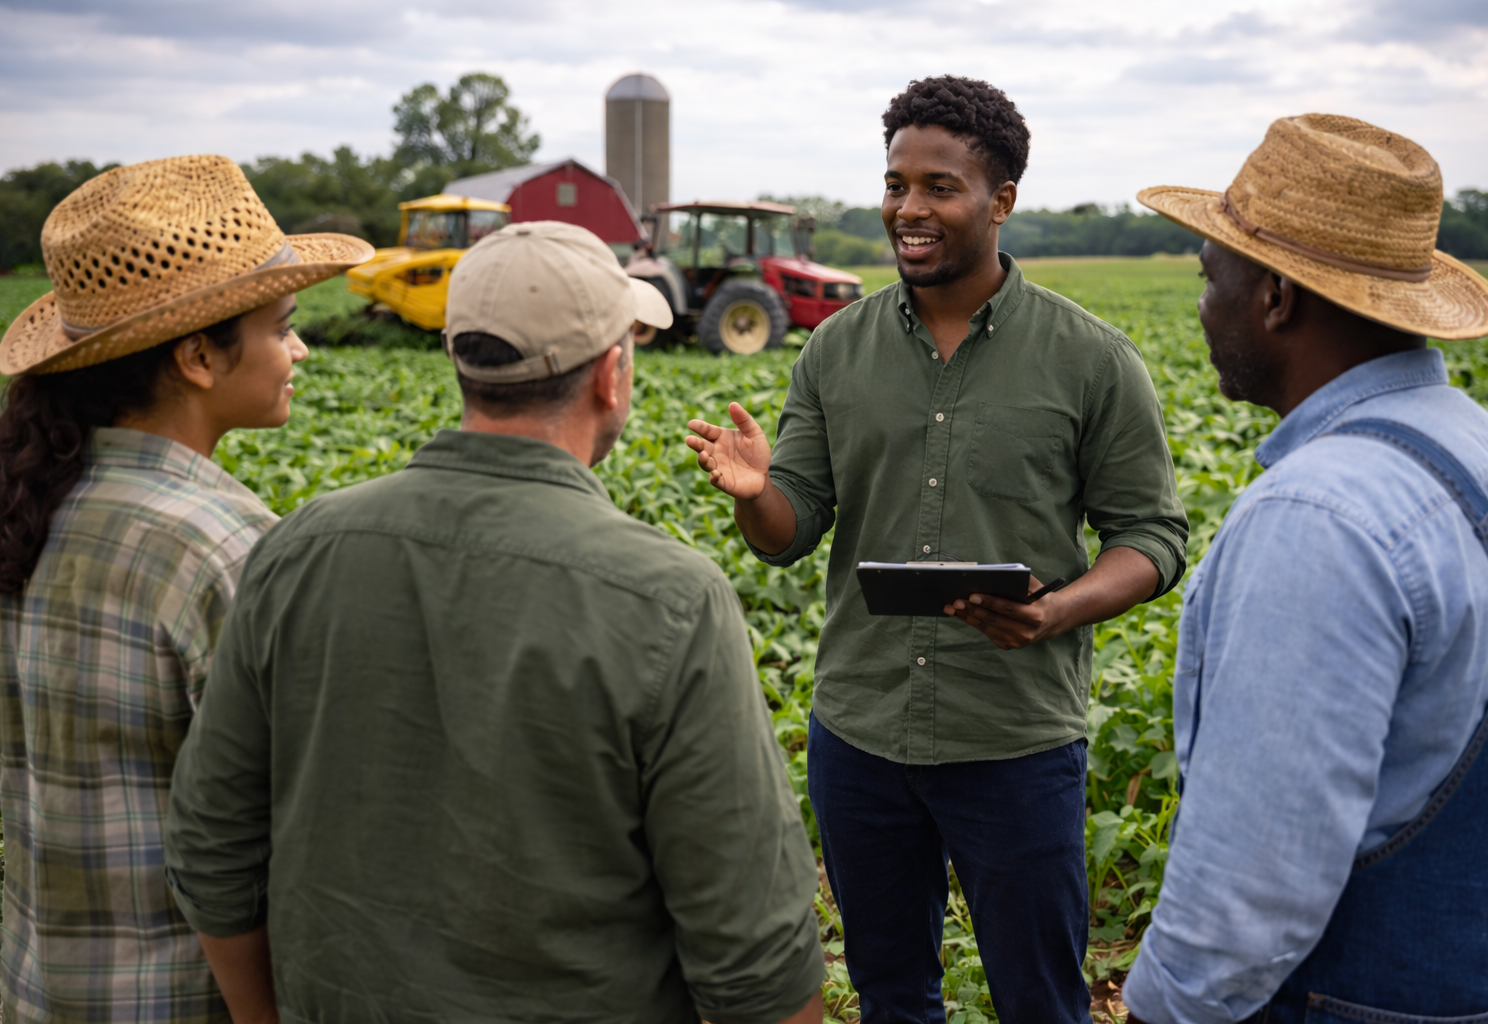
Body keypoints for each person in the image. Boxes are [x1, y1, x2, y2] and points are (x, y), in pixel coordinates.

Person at [161, 221, 826, 1024]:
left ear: (461, 360)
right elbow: (756, 955)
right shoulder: (670, 598)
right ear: (612, 376)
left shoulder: (295, 548)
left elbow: (210, 846)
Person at [686, 76, 1188, 1022]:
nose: (908, 209)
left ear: (1000, 202)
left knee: (1040, 999)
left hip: (1016, 739)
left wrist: (1055, 610)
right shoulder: (833, 350)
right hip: (861, 733)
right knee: (891, 997)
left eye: (939, 187)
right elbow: (789, 534)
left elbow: (1152, 536)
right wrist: (758, 496)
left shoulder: (1091, 360)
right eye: (895, 184)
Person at [1122, 115, 1488, 1021]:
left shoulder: (1317, 516)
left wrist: (1162, 1007)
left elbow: (1250, 885)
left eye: (1209, 277)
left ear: (1274, 296)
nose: (1202, 306)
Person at [0, 154, 372, 1023]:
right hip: (185, 1001)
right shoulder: (225, 548)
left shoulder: (29, 501)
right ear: (199, 356)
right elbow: (282, 845)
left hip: (33, 988)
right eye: (283, 326)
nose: (300, 349)